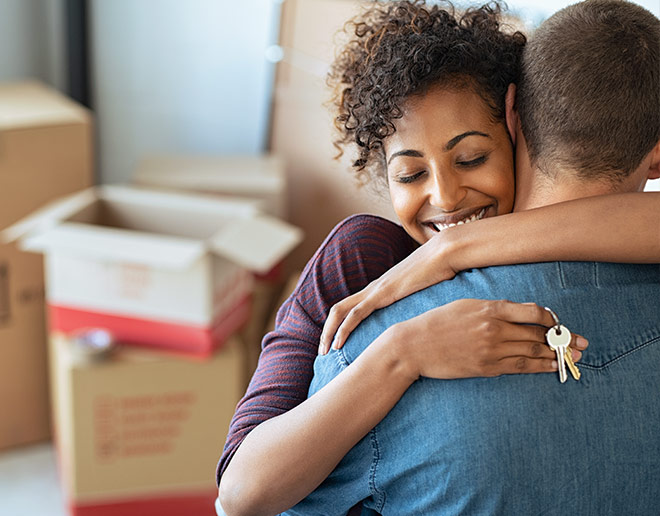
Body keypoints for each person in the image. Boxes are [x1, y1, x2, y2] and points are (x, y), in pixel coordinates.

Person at [217, 1, 660, 515]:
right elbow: (239, 496)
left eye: (472, 158)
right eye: (409, 175)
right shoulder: (363, 266)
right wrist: (401, 352)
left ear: (513, 123)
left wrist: (456, 249)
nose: (447, 198)